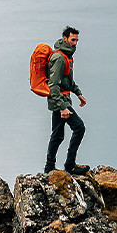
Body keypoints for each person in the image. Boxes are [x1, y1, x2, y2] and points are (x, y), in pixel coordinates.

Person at [45, 26, 89, 174]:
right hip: (60, 101)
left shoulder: (67, 56)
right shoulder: (59, 58)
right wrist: (62, 107)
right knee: (79, 128)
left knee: (57, 135)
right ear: (65, 39)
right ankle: (69, 165)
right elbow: (53, 85)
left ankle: (49, 168)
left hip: (63, 99)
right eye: (73, 40)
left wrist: (78, 93)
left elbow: (67, 81)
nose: (75, 43)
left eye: (77, 40)